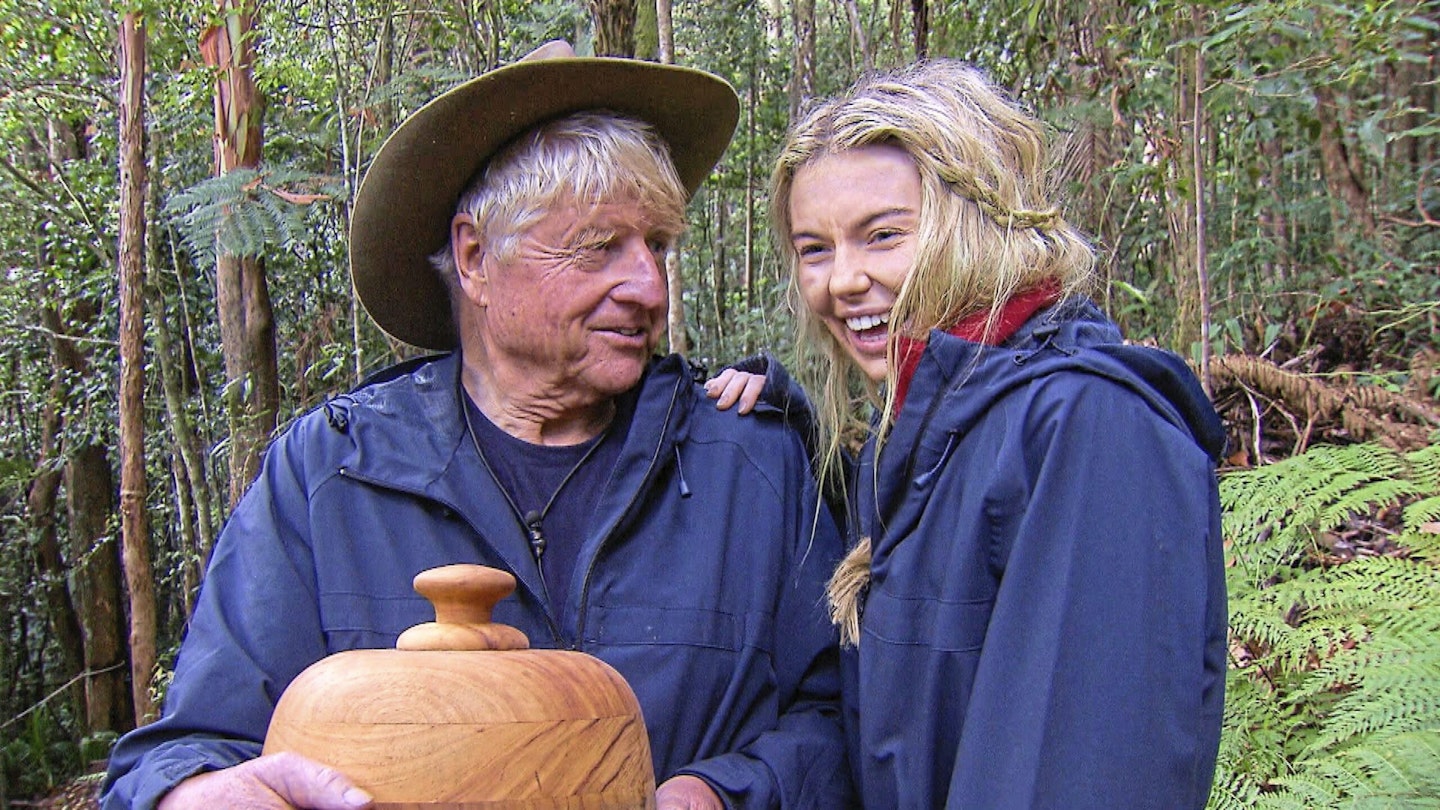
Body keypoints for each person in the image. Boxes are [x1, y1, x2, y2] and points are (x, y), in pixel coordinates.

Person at [103, 42, 850, 810]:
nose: (648, 285)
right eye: (600, 247)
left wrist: (717, 794)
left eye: (657, 245)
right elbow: (186, 747)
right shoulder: (333, 474)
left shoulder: (749, 463)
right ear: (475, 258)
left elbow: (838, 717)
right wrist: (195, 795)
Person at [722, 59, 1228, 808]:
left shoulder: (1088, 427)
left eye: (883, 235)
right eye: (815, 249)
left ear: (975, 224)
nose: (842, 280)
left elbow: (1083, 772)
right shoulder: (914, 444)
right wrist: (787, 418)